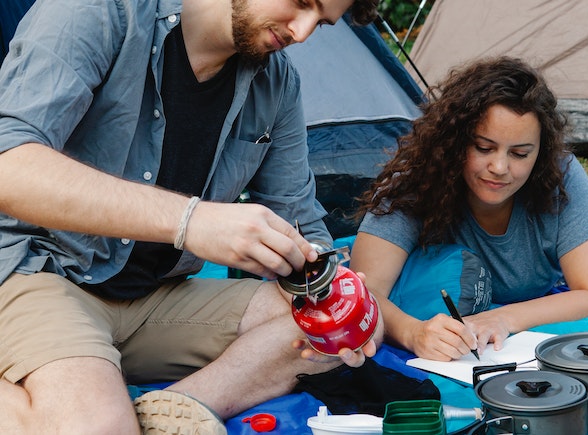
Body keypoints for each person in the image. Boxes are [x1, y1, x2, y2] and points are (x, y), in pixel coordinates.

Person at [0, 0, 383, 433]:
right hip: (39, 271)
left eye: (323, 23)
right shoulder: (100, 11)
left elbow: (300, 220)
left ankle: (175, 410)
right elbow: (9, 164)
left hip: (154, 296)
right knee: (97, 426)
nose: (303, 31)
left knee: (335, 330)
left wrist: (339, 295)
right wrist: (191, 220)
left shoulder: (276, 84)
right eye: (302, 3)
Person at [350, 56, 588, 363]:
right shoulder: (416, 181)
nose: (500, 167)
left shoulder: (562, 177)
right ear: (454, 142)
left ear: (540, 154)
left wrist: (503, 319)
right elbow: (363, 293)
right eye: (483, 148)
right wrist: (413, 333)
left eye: (520, 153)